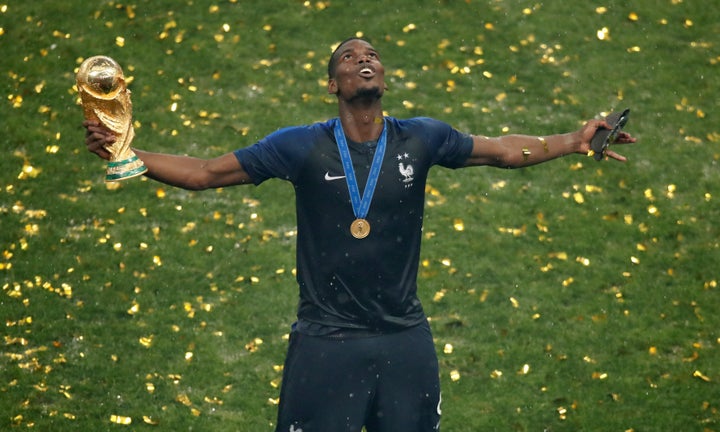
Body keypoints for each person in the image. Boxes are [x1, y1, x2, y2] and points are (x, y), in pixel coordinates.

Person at [84, 37, 635, 432]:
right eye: (349, 56)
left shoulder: (421, 139)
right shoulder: (300, 145)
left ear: (384, 78)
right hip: (326, 341)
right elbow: (205, 173)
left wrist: (574, 140)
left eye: (371, 54)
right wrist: (129, 156)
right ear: (333, 84)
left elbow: (500, 151)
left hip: (403, 338)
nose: (363, 58)